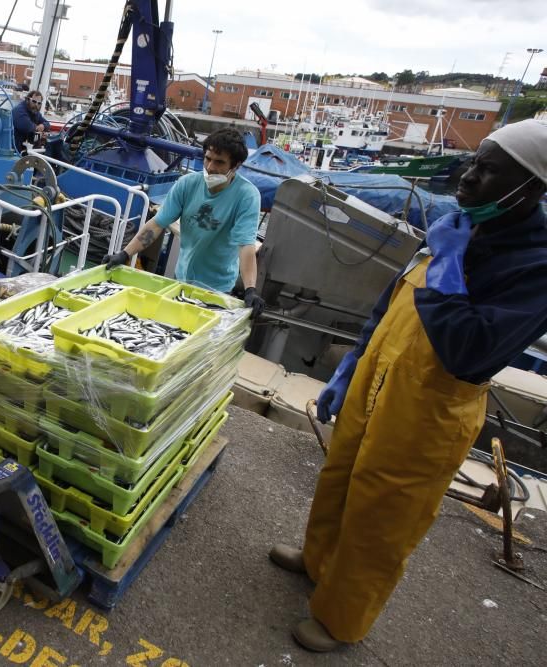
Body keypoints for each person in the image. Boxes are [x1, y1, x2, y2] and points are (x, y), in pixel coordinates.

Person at [269, 118, 547, 652]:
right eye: (472, 163)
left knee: (386, 512)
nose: (466, 178)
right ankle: (319, 561)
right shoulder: (463, 222)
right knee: (341, 475)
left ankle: (341, 618)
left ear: (529, 189)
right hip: (379, 373)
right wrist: (351, 365)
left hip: (431, 405)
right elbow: (392, 299)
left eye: (487, 171)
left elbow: (467, 346)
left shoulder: (533, 267)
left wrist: (448, 261)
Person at [103, 128, 266, 316]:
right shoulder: (187, 183)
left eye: (219, 162)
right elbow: (157, 224)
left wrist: (250, 289)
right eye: (208, 158)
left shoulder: (247, 195)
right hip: (181, 276)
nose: (210, 167)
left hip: (217, 287)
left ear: (236, 165)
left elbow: (245, 245)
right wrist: (125, 254)